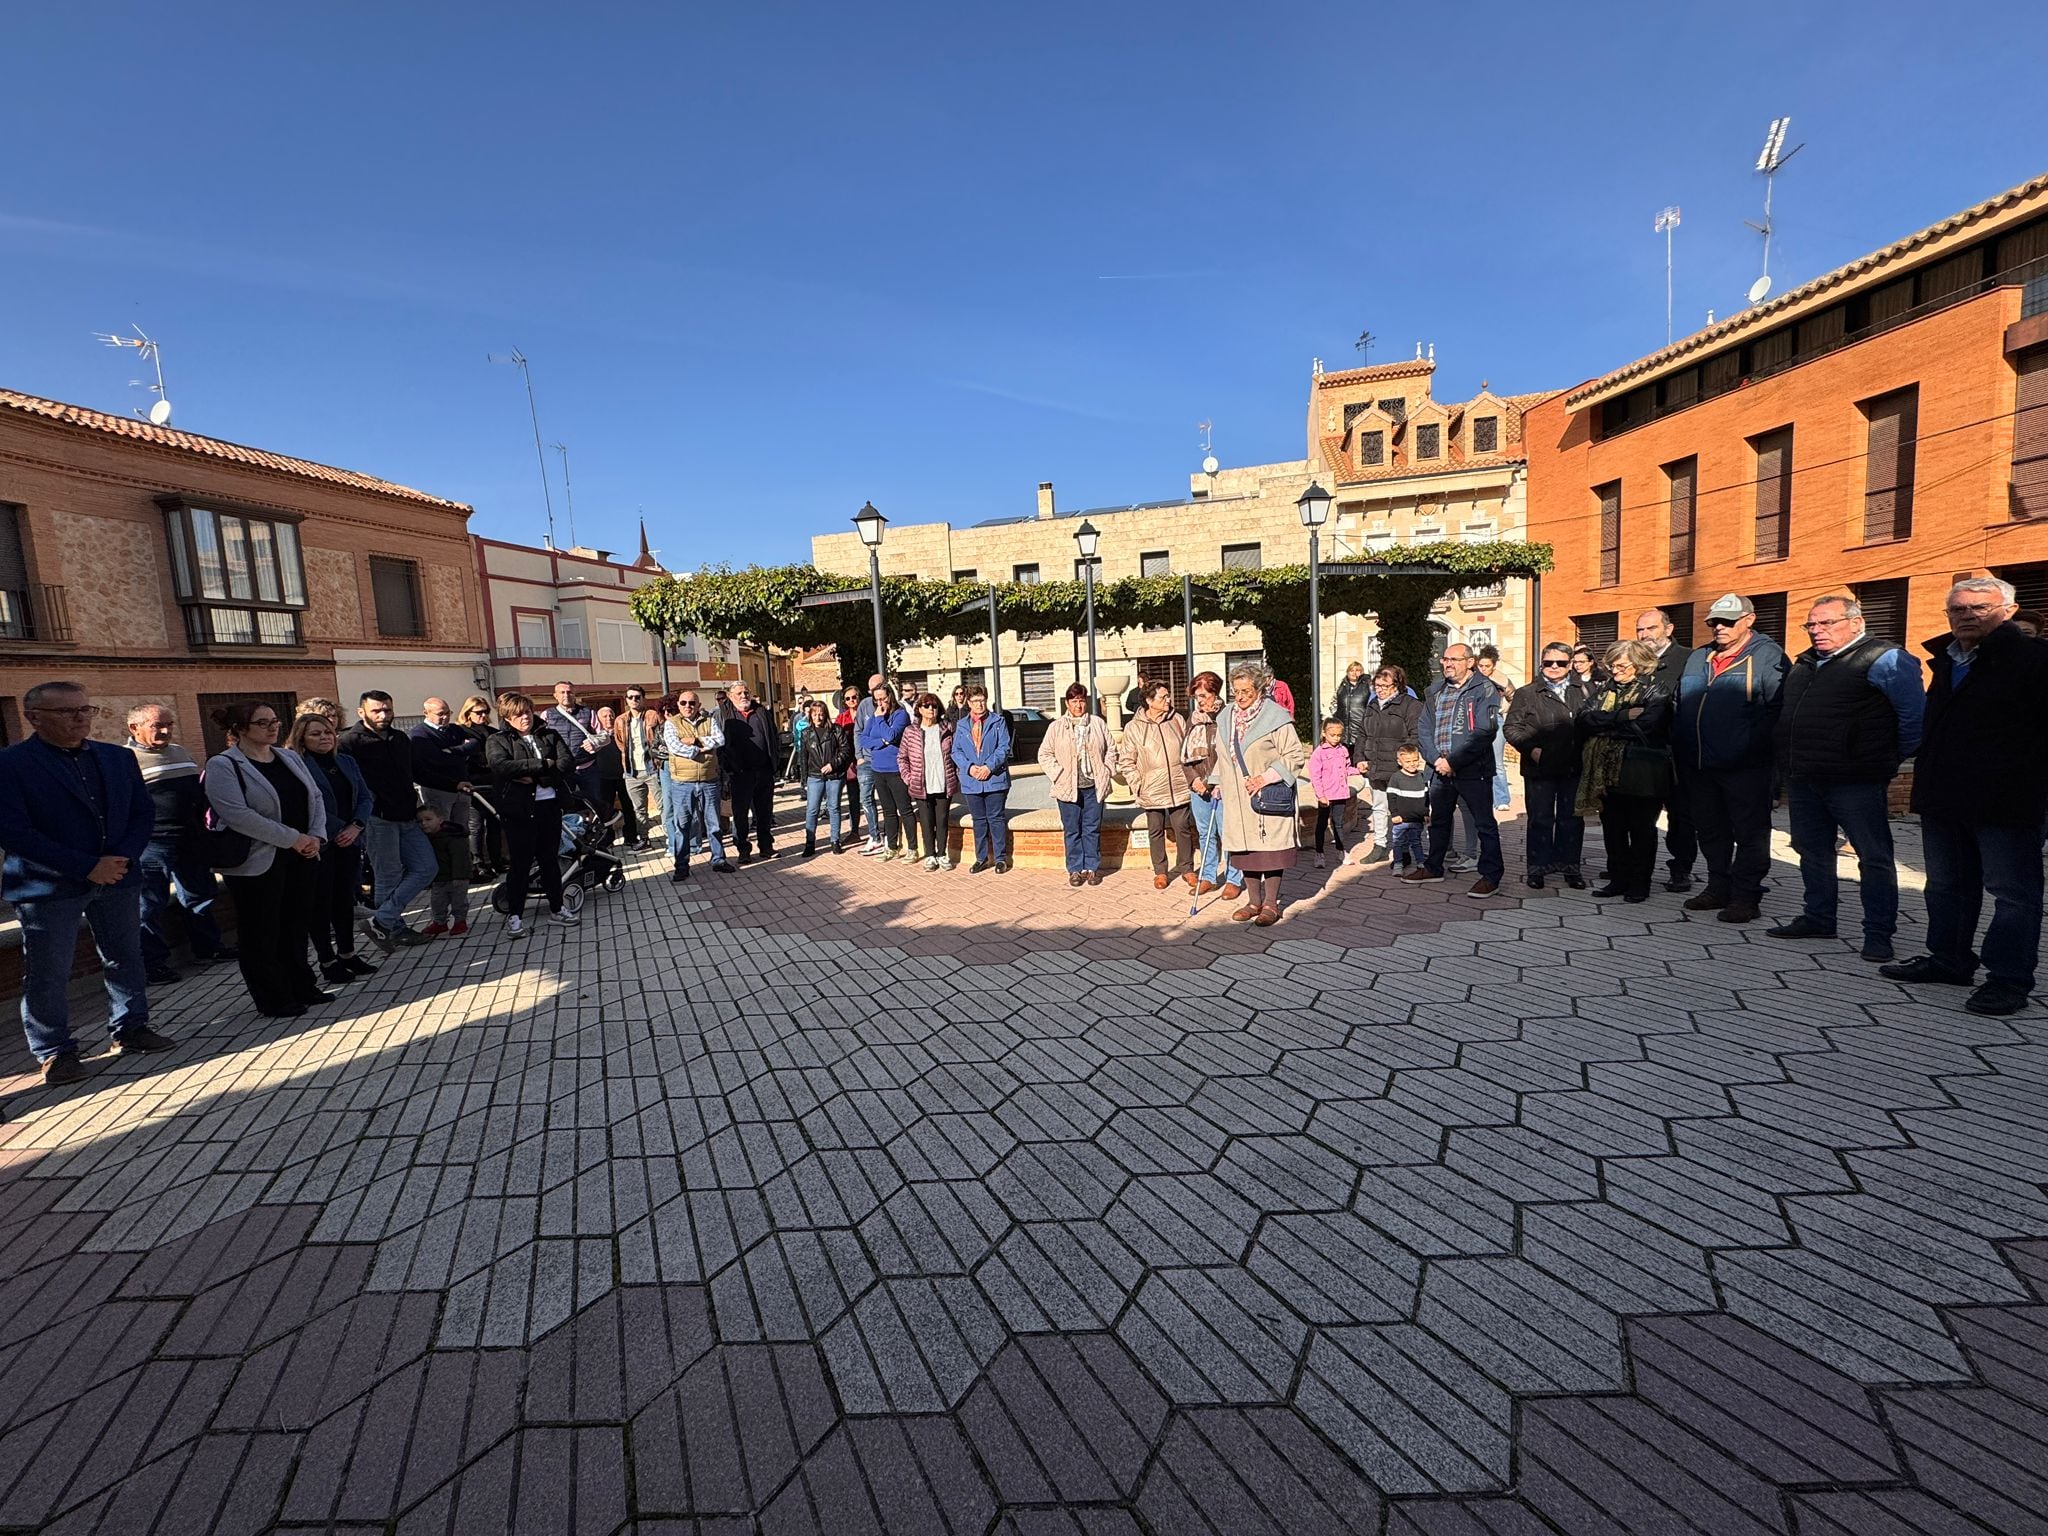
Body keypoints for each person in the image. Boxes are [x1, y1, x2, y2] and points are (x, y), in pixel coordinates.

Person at [1882, 577, 2048, 1015]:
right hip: (1943, 798)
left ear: (2009, 611)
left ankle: (2009, 980)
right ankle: (1949, 960)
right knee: (1947, 887)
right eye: (1958, 609)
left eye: (1981, 607)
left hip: (2006, 802)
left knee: (2013, 894)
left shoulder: (2034, 659)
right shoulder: (1947, 660)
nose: (1968, 615)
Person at [0, 683, 170, 1083]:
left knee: (125, 955)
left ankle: (131, 1028)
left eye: (84, 709)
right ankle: (55, 1051)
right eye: (65, 712)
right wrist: (85, 866)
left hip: (118, 876)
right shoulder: (11, 764)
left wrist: (122, 858)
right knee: (48, 971)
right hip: (48, 885)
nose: (79, 718)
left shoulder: (117, 758)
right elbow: (13, 831)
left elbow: (142, 813)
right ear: (34, 718)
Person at [1770, 595, 1926, 961]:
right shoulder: (1805, 663)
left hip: (1855, 779)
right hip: (1805, 776)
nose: (1817, 632)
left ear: (1856, 623)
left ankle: (1878, 933)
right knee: (1811, 850)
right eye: (1811, 625)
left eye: (1827, 623)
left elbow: (1914, 719)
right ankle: (1818, 918)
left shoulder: (1883, 658)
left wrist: (1885, 760)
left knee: (1873, 857)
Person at [204, 700, 329, 1018]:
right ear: (240, 729)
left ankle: (302, 985)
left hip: (303, 854)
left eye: (275, 721)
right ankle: (273, 997)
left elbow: (314, 796)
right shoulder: (224, 765)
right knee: (262, 931)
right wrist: (293, 838)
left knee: (296, 924)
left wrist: (316, 835)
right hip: (258, 860)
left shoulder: (288, 757)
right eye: (262, 723)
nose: (273, 727)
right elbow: (237, 815)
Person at [1672, 594, 1789, 924]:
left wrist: (1749, 748)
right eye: (1714, 622)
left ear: (1749, 620)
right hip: (1699, 765)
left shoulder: (1768, 657)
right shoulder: (1699, 658)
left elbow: (1777, 711)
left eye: (1727, 621)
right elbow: (1681, 704)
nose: (1719, 627)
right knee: (1710, 831)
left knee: (1750, 833)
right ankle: (1717, 887)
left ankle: (1746, 896)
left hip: (1746, 767)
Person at [125, 704, 235, 981]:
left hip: (190, 837)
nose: (165, 730)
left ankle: (208, 948)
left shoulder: (180, 752)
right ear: (134, 728)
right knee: (149, 904)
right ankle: (153, 964)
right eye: (156, 726)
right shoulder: (125, 760)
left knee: (199, 895)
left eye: (169, 724)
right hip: (152, 843)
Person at [1401, 643, 1505, 898]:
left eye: (1454, 659)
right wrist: (1436, 759)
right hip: (1440, 768)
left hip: (1473, 770)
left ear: (1470, 662)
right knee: (1439, 821)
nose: (1447, 664)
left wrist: (1453, 762)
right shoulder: (1436, 691)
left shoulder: (1485, 689)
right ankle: (1433, 866)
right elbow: (1424, 728)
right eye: (1445, 659)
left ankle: (1490, 876)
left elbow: (1484, 733)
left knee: (1484, 824)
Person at [1575, 642, 1675, 903]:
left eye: (1621, 665)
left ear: (1638, 664)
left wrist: (1605, 723)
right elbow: (1583, 720)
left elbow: (1648, 727)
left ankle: (1640, 883)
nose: (1614, 671)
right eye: (1611, 665)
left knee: (1642, 829)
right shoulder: (1605, 688)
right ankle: (1618, 879)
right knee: (1613, 828)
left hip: (1642, 771)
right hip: (1606, 771)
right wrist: (1622, 717)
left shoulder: (1656, 689)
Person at [339, 689, 435, 948]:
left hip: (407, 815)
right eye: (376, 710)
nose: (383, 715)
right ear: (362, 712)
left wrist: (421, 806)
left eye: (387, 710)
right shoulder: (350, 742)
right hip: (377, 818)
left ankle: (381, 921)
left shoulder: (400, 738)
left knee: (427, 867)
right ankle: (394, 929)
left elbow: (410, 776)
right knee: (388, 875)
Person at [1215, 661, 1307, 925]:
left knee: (1270, 850)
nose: (1240, 697)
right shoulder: (1225, 717)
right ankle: (1253, 902)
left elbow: (1294, 755)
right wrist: (1216, 781)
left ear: (1259, 689)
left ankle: (1270, 904)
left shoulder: (1275, 716)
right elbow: (1221, 755)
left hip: (1266, 795)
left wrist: (1265, 778)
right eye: (1236, 691)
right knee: (1245, 851)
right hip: (1237, 796)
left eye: (1247, 692)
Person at [288, 713, 376, 985]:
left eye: (327, 732)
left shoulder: (346, 761)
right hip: (321, 844)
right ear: (301, 737)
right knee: (321, 904)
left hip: (350, 841)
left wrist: (357, 826)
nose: (324, 737)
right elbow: (311, 805)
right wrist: (340, 829)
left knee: (344, 900)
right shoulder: (298, 765)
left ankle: (348, 953)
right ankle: (327, 960)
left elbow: (364, 795)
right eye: (316, 733)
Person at [484, 693, 579, 937]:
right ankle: (515, 915)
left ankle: (557, 908)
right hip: (519, 811)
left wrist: (538, 774)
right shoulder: (498, 740)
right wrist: (543, 764)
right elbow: (501, 767)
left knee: (550, 860)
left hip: (549, 807)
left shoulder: (549, 734)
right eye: (517, 714)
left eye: (527, 711)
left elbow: (566, 762)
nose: (524, 717)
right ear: (507, 717)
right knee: (520, 863)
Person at [1504, 643, 1592, 889]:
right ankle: (1538, 867)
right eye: (1548, 662)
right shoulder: (1527, 693)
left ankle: (1570, 866)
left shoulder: (1585, 690)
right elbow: (1511, 727)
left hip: (1574, 766)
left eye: (1561, 663)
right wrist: (1532, 750)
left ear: (1570, 663)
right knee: (1540, 819)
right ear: (1541, 663)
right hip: (1539, 767)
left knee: (1571, 819)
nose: (1554, 667)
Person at [1636, 608, 1699, 892]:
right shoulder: (1634, 660)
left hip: (1676, 752)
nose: (1645, 635)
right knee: (1639, 815)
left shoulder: (1689, 659)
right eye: (1640, 630)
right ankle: (1635, 867)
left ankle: (1681, 868)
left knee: (1681, 815)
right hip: (1641, 751)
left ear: (1668, 629)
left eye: (1651, 628)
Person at [1116, 679, 1195, 889]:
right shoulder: (1134, 727)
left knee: (1182, 827)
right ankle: (1160, 871)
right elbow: (1126, 761)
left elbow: (1189, 750)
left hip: (1179, 785)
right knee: (1155, 830)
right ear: (1150, 701)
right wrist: (1138, 784)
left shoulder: (1177, 719)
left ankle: (1187, 868)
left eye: (1168, 696)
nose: (1168, 700)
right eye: (1163, 697)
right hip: (1151, 788)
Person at [1040, 681, 1113, 886]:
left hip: (1093, 785)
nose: (1078, 705)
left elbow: (1111, 750)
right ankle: (1075, 869)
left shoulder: (1097, 724)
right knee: (1072, 829)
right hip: (1068, 787)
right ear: (1067, 703)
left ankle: (1091, 868)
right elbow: (1044, 754)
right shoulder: (1056, 727)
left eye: (1081, 700)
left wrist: (1107, 771)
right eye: (1074, 701)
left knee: (1092, 828)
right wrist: (1059, 774)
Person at [1182, 674, 1245, 899]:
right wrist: (1193, 780)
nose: (1199, 701)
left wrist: (1216, 780)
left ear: (1214, 693)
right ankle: (1208, 876)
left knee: (1227, 833)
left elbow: (1233, 752)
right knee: (1205, 834)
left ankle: (1233, 878)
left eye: (1203, 696)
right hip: (1198, 786)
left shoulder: (1227, 716)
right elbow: (1184, 754)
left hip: (1222, 785)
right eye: (1196, 697)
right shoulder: (1193, 718)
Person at [1354, 665, 1421, 866]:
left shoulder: (1410, 706)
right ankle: (1380, 846)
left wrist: (1404, 760)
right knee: (1379, 807)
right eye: (1377, 685)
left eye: (1385, 685)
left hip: (1398, 770)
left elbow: (1416, 736)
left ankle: (1405, 849)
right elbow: (1362, 734)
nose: (1380, 689)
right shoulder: (1373, 705)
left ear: (1397, 685)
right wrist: (1359, 758)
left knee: (1402, 811)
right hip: (1376, 767)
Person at [664, 691, 735, 880]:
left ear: (698, 704)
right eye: (684, 702)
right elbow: (674, 747)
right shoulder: (671, 723)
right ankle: (681, 866)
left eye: (692, 702)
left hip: (709, 781)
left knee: (714, 824)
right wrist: (702, 747)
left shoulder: (709, 720)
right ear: (678, 705)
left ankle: (719, 860)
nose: (688, 706)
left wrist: (692, 742)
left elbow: (720, 740)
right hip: (682, 783)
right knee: (683, 826)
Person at [952, 684, 1013, 873]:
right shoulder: (962, 725)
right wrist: (969, 768)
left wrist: (988, 767)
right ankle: (981, 858)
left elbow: (1004, 747)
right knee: (978, 820)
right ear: (968, 703)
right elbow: (956, 751)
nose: (980, 704)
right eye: (975, 700)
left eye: (982, 699)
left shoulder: (998, 721)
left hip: (994, 779)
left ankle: (1000, 858)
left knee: (995, 819)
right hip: (972, 781)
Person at [899, 693, 960, 870]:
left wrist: (956, 774)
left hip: (943, 781)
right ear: (919, 709)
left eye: (934, 706)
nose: (931, 709)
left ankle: (942, 854)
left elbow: (956, 754)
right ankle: (930, 855)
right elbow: (902, 757)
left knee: (941, 821)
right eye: (927, 706)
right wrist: (909, 778)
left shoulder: (947, 728)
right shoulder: (911, 731)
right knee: (926, 822)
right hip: (921, 783)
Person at [722, 682, 781, 863]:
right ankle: (743, 849)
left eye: (746, 692)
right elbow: (721, 745)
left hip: (763, 771)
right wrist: (729, 770)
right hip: (740, 774)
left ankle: (766, 847)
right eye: (739, 693)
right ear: (731, 696)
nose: (743, 696)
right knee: (740, 815)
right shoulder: (723, 715)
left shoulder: (762, 712)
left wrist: (774, 764)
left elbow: (774, 737)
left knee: (764, 812)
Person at [859, 683, 916, 861]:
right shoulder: (874, 717)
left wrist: (882, 722)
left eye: (883, 698)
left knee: (905, 809)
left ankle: (912, 848)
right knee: (888, 811)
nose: (880, 703)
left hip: (896, 770)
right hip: (878, 769)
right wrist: (881, 742)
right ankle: (891, 846)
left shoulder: (900, 715)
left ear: (890, 696)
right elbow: (863, 740)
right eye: (876, 700)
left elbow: (892, 736)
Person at [581, 704, 641, 850]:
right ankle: (607, 840)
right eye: (605, 716)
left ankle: (631, 838)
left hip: (623, 776)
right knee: (605, 811)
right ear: (598, 719)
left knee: (628, 808)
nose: (609, 719)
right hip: (603, 778)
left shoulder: (621, 733)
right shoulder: (594, 737)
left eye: (611, 716)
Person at [455, 695, 503, 877]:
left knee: (495, 823)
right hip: (473, 785)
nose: (482, 715)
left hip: (494, 783)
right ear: (468, 713)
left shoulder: (492, 732)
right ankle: (478, 863)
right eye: (478, 712)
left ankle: (497, 861)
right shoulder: (462, 732)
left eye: (485, 712)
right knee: (476, 825)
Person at [797, 697, 851, 856]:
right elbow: (803, 758)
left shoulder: (836, 730)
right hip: (815, 775)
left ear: (826, 714)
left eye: (821, 714)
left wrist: (832, 765)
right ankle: (810, 843)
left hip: (834, 774)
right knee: (812, 810)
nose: (818, 718)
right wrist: (803, 780)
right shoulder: (806, 733)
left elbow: (845, 751)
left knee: (834, 808)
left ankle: (835, 840)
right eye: (814, 715)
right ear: (810, 716)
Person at [416, 801, 472, 937]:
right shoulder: (425, 838)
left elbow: (460, 858)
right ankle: (440, 923)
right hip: (439, 877)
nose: (424, 823)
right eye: (420, 821)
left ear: (440, 820)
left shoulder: (453, 837)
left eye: (428, 819)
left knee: (459, 901)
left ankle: (460, 921)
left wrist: (460, 876)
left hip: (457, 877)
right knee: (437, 902)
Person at [616, 687, 662, 843]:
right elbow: (620, 744)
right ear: (626, 699)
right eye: (630, 697)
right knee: (639, 810)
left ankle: (673, 840)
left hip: (653, 769)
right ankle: (644, 839)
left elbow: (661, 737)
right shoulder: (620, 720)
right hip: (631, 772)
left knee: (664, 806)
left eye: (637, 697)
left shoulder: (652, 716)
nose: (634, 700)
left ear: (643, 698)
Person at [1307, 718, 1354, 870]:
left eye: (1339, 735)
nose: (1336, 738)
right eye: (1332, 735)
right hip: (1326, 795)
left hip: (1340, 793)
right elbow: (1315, 776)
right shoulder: (1318, 753)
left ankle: (1341, 850)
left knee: (1338, 823)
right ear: (1324, 733)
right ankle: (1319, 853)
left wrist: (1360, 770)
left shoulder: (1343, 750)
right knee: (1321, 823)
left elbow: (1347, 769)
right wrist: (1321, 795)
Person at [1475, 647, 1515, 811]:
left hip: (1496, 718)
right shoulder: (1474, 679)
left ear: (1494, 665)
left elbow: (1514, 697)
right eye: (1481, 665)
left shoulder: (1502, 679)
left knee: (1497, 761)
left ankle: (1501, 799)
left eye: (1487, 666)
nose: (1483, 669)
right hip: (1477, 720)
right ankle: (1483, 797)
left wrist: (1505, 695)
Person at [1383, 745, 1430, 873]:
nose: (1412, 764)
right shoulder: (1396, 778)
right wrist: (1394, 814)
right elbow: (1391, 798)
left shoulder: (1422, 776)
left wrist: (1426, 813)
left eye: (1415, 760)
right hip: (1401, 819)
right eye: (1408, 761)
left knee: (1416, 842)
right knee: (1398, 842)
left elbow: (1426, 797)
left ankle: (1420, 862)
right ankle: (1398, 863)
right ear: (1400, 762)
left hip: (1417, 819)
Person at [834, 684, 867, 848]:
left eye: (854, 697)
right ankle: (855, 831)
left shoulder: (867, 714)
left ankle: (877, 831)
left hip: (867, 762)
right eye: (848, 698)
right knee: (854, 798)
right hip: (849, 765)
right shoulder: (841, 718)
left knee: (869, 798)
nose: (851, 700)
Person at [544, 681, 602, 760]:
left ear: (574, 694)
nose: (566, 695)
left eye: (569, 692)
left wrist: (595, 743)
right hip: (560, 766)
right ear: (555, 696)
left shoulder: (589, 713)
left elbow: (603, 735)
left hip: (586, 766)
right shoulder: (547, 714)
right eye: (562, 692)